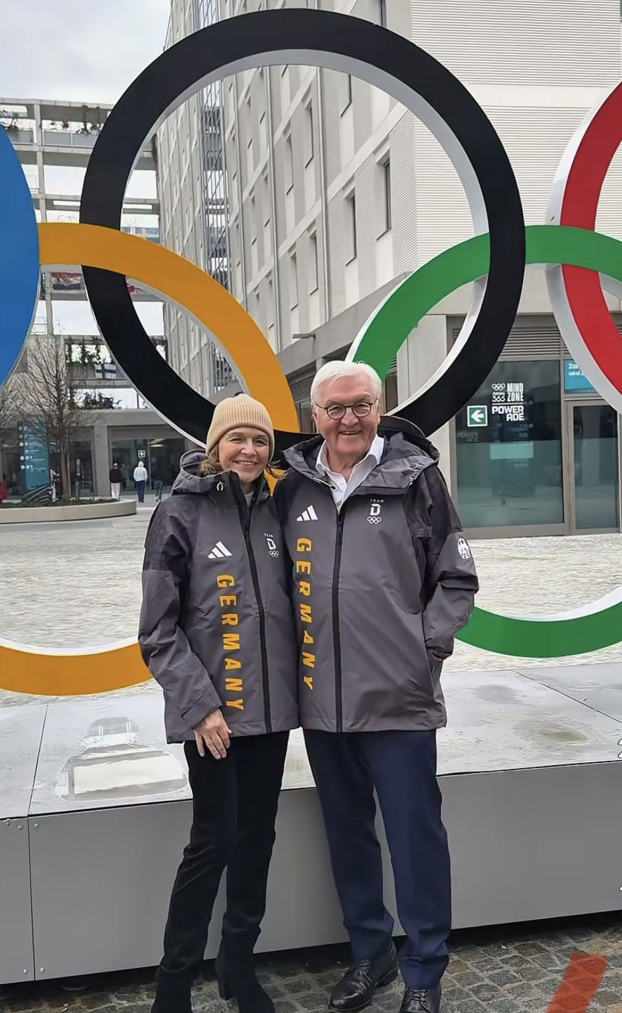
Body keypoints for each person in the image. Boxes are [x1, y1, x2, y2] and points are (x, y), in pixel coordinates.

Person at [275, 361, 478, 1013]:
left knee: (416, 838)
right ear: (315, 417)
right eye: (335, 408)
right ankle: (371, 955)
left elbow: (456, 578)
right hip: (322, 703)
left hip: (399, 698)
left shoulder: (415, 479)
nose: (348, 419)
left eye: (361, 405)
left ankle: (423, 972)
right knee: (348, 835)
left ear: (380, 408)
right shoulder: (294, 487)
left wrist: (425, 654)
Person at [139, 395, 299, 1013]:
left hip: (272, 712)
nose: (250, 451)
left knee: (257, 836)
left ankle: (238, 967)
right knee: (213, 842)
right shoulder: (179, 514)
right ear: (215, 445)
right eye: (238, 440)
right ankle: (174, 984)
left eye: (260, 440)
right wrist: (201, 706)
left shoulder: (278, 508)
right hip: (214, 716)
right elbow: (158, 628)